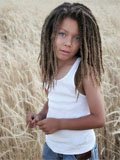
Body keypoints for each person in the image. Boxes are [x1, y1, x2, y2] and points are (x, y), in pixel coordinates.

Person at [26, 2, 105, 160]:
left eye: (77, 38)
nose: (68, 43)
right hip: (51, 149)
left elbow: (99, 119)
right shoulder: (48, 66)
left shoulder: (84, 72)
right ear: (51, 34)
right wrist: (41, 115)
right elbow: (53, 100)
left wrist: (60, 124)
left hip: (78, 154)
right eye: (62, 34)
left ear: (84, 42)